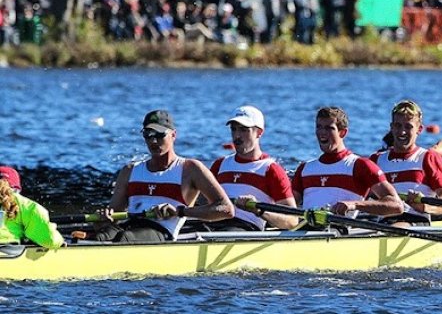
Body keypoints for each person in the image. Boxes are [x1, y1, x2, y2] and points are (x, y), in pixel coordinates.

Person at [97, 110, 235, 242]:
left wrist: (180, 211)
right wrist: (103, 219)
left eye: (160, 135)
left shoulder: (191, 169)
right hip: (130, 227)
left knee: (124, 238)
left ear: (174, 135)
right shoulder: (129, 171)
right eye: (148, 135)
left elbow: (226, 209)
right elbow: (113, 216)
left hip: (161, 233)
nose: (153, 141)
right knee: (99, 236)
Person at [293, 106, 405, 217]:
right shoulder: (305, 168)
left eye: (329, 128)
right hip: (305, 230)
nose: (322, 132)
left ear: (343, 133)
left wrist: (354, 205)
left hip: (339, 231)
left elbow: (396, 205)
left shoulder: (360, 166)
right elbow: (288, 206)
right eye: (319, 127)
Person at [209, 106, 299, 231]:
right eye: (233, 129)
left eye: (244, 130)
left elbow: (292, 220)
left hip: (245, 228)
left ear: (259, 132)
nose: (237, 136)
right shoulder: (219, 165)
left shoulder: (271, 170)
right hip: (213, 225)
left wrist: (259, 211)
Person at [372, 100, 442, 222]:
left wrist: (425, 207)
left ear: (419, 129)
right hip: (384, 223)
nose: (402, 132)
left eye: (408, 126)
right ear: (391, 127)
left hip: (415, 220)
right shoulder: (376, 159)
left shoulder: (429, 158)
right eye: (398, 126)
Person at [0, 166, 64, 248]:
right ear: (17, 189)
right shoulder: (27, 206)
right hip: (8, 252)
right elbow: (48, 240)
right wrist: (60, 239)